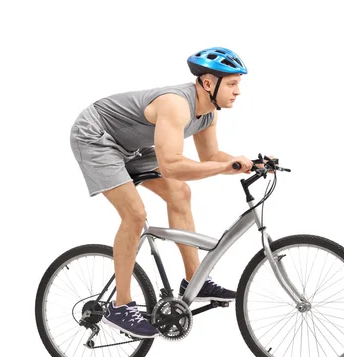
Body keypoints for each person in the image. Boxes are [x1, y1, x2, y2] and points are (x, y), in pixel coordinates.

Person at [69, 47, 254, 338]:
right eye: (232, 83)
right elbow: (171, 166)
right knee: (135, 214)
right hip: (96, 136)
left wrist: (250, 164)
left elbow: (211, 155)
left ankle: (196, 280)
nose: (238, 91)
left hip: (132, 145)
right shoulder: (176, 105)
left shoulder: (208, 114)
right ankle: (120, 307)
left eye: (238, 83)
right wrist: (222, 168)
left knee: (180, 194)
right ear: (208, 84)